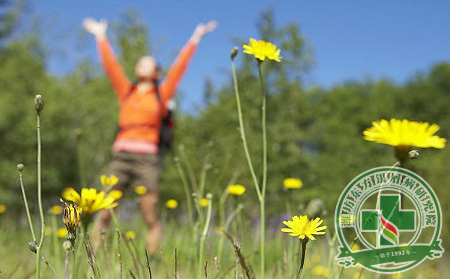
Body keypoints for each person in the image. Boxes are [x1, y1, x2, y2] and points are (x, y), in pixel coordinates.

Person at [83, 17, 216, 253]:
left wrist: (195, 38)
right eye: (140, 62)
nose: (142, 65)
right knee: (105, 210)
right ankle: (93, 257)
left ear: (157, 72)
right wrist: (100, 36)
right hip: (121, 155)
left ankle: (150, 260)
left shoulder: (162, 94)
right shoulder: (126, 92)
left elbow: (179, 68)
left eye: (148, 63)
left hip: (148, 158)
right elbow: (111, 66)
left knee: (149, 214)